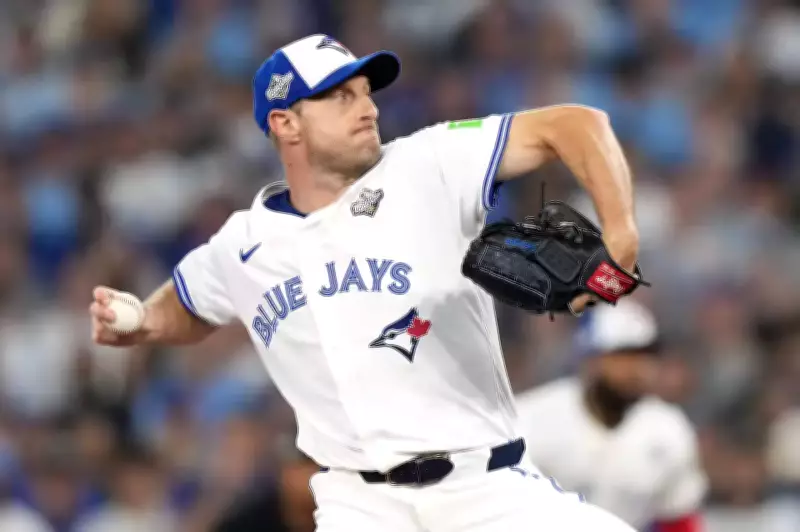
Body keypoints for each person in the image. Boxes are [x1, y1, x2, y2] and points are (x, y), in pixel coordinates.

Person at [91, 34, 641, 531]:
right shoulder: (242, 243)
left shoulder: (427, 164)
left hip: (486, 488)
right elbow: (189, 302)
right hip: (359, 505)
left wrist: (620, 233)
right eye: (341, 97)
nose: (368, 108)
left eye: (365, 93)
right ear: (285, 123)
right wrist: (142, 319)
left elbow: (576, 124)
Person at [515, 299, 708, 531]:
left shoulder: (669, 429)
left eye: (647, 355)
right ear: (592, 360)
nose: (639, 369)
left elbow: (678, 518)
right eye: (625, 355)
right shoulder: (530, 418)